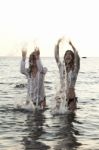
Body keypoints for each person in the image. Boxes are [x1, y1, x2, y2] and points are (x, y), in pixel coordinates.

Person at [54, 38, 80, 112]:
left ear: (72, 58)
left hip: (71, 99)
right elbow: (56, 56)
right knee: (58, 120)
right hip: (60, 98)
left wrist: (72, 45)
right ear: (64, 57)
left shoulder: (75, 70)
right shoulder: (61, 68)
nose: (68, 56)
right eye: (66, 54)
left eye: (70, 54)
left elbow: (77, 58)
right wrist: (57, 44)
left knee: (70, 120)